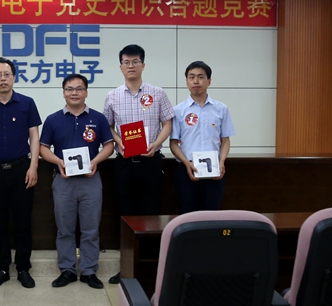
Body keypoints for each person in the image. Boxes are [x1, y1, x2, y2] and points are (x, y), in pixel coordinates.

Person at [102, 44, 174, 284]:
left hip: (151, 162)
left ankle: (150, 268)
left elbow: (167, 123)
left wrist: (156, 144)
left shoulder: (158, 93)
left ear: (143, 65)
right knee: (126, 214)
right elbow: (107, 127)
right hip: (124, 163)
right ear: (120, 67)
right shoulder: (113, 96)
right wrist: (119, 141)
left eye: (135, 62)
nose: (130, 66)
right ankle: (126, 268)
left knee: (150, 213)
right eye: (126, 62)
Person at [39, 73, 114, 289]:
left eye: (79, 88)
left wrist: (95, 161)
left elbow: (109, 145)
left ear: (86, 93)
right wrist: (58, 162)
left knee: (91, 229)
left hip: (91, 181)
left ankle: (89, 271)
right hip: (63, 181)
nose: (74, 93)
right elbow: (43, 148)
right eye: (70, 89)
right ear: (63, 93)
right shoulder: (53, 119)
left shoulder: (98, 118)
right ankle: (67, 270)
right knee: (65, 229)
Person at [0, 58, 42, 289]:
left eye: (7, 74)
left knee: (23, 221)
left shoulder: (27, 103)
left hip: (21, 169)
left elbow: (34, 136)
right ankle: (2, 268)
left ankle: (23, 268)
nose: (3, 79)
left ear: (14, 77)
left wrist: (33, 166)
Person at [170, 61, 235, 213]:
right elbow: (173, 143)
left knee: (212, 214)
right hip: (187, 169)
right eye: (191, 77)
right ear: (186, 81)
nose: (196, 81)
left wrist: (221, 162)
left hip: (214, 170)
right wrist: (186, 163)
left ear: (209, 81)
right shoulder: (178, 111)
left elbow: (225, 140)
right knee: (187, 213)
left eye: (200, 77)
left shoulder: (221, 109)